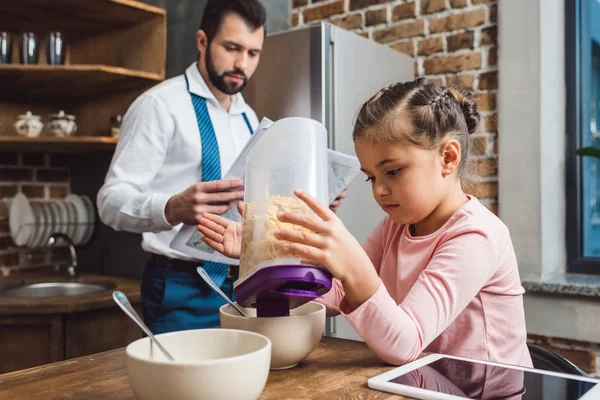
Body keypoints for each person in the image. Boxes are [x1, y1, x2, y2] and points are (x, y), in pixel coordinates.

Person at [197, 77, 533, 368]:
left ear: (447, 157)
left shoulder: (476, 236)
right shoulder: (397, 226)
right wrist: (268, 255)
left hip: (487, 390)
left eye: (393, 171)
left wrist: (353, 265)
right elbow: (335, 292)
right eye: (371, 178)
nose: (381, 191)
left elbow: (405, 343)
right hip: (429, 383)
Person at [97, 0, 267, 334]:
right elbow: (110, 200)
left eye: (252, 53)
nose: (241, 63)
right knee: (181, 387)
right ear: (202, 41)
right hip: (179, 287)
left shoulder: (249, 117)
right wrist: (171, 207)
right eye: (232, 48)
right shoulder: (158, 106)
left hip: (243, 286)